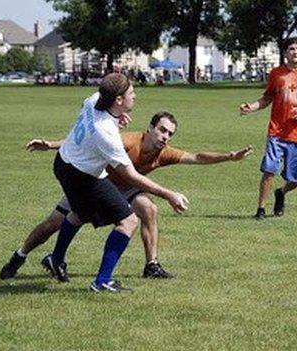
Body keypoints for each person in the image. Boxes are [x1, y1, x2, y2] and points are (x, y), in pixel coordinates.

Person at [0, 112, 253, 281]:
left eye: (169, 134)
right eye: (162, 130)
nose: (165, 137)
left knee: (149, 210)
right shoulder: (128, 141)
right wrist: (52, 144)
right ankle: (20, 256)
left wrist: (229, 156)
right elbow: (90, 140)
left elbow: (196, 157)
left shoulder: (163, 153)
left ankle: (151, 265)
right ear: (150, 128)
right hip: (95, 183)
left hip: (128, 189)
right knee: (52, 225)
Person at [44, 73, 190, 293]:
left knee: (80, 214)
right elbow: (131, 176)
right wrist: (169, 194)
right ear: (119, 100)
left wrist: (115, 118)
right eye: (131, 92)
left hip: (64, 162)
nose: (135, 95)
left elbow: (95, 119)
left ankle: (56, 259)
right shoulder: (107, 135)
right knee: (129, 221)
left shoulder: (94, 99)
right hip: (82, 174)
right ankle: (102, 281)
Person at [238, 37, 297, 220]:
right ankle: (260, 209)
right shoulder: (276, 74)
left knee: (296, 179)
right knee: (269, 170)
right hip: (276, 132)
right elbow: (267, 98)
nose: (294, 52)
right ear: (285, 52)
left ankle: (281, 192)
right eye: (291, 48)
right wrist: (251, 107)